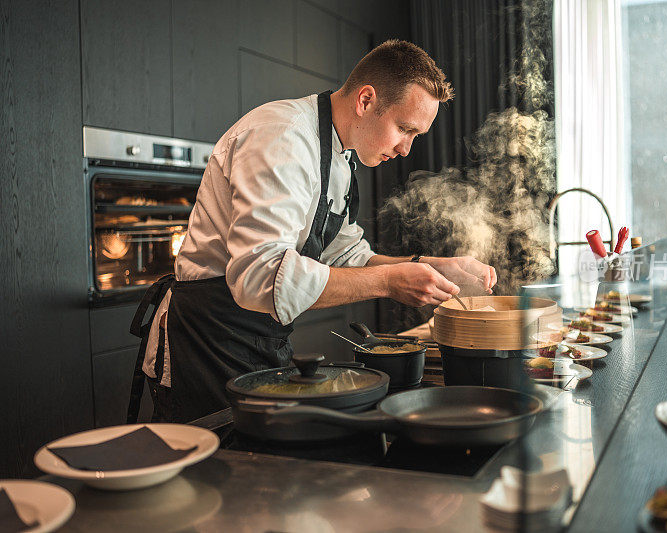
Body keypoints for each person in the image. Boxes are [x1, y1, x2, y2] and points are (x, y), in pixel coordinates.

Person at [128, 39, 497, 423]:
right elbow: (259, 277)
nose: (406, 149)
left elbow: (347, 255)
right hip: (206, 341)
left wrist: (430, 265)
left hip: (261, 336)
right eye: (404, 129)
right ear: (366, 100)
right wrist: (389, 282)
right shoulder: (282, 138)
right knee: (216, 472)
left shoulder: (340, 155)